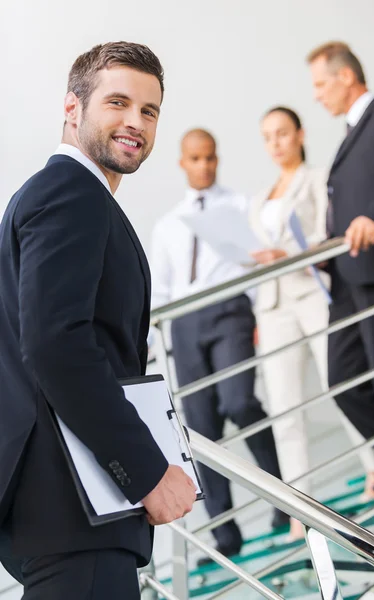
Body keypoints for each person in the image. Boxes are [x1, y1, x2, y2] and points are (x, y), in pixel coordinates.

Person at [0, 41, 197, 600]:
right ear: (72, 107)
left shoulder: (62, 196)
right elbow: (56, 346)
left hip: (63, 506)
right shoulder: (70, 192)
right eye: (118, 103)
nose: (135, 121)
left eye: (149, 110)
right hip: (73, 503)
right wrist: (147, 471)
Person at [150, 128, 287, 564]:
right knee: (201, 429)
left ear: (217, 158)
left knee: (240, 402)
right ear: (182, 163)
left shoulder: (241, 206)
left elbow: (266, 253)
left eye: (210, 158)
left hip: (231, 312)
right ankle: (224, 536)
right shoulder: (168, 224)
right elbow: (162, 293)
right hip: (186, 324)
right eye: (195, 159)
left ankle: (284, 498)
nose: (204, 166)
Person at [249, 106, 374, 540]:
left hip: (311, 294)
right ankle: (298, 507)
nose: (275, 143)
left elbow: (331, 234)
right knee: (285, 409)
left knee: (339, 385)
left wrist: (291, 256)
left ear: (299, 134)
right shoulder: (259, 197)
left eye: (282, 133)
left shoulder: (319, 178)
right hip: (272, 306)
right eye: (267, 136)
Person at [306, 41, 374, 504]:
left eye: (321, 84)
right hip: (345, 277)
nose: (317, 95)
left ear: (346, 77)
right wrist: (326, 247)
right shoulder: (346, 136)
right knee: (342, 381)